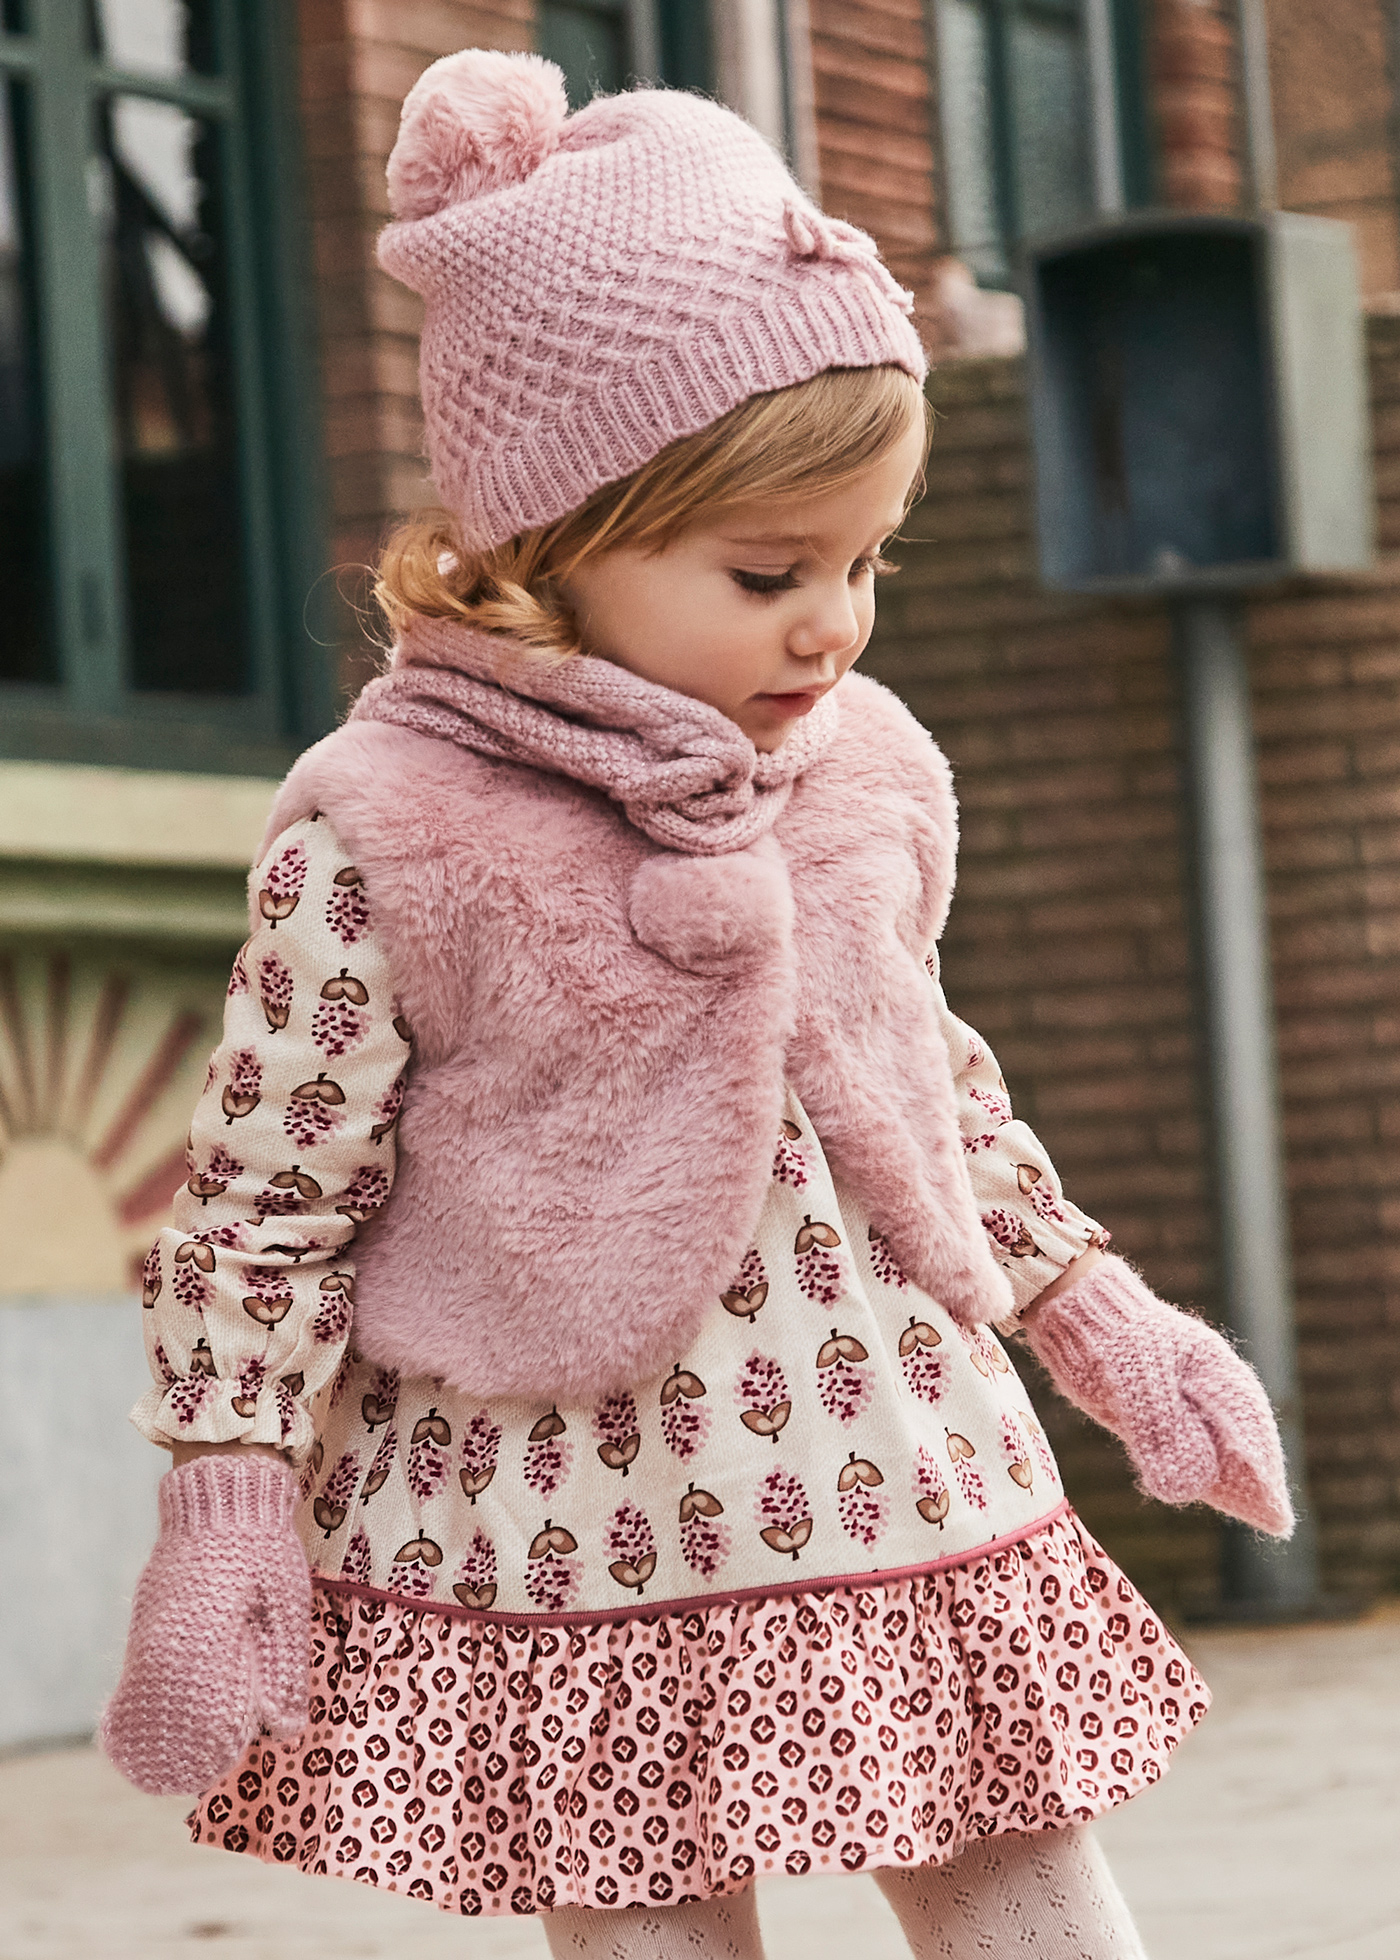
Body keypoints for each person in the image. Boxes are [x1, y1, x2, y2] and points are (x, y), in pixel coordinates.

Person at [101, 49, 1294, 1960]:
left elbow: (928, 1083)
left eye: (867, 560)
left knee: (1014, 1866)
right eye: (767, 571)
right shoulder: (391, 825)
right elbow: (269, 1191)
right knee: (642, 1916)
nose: (835, 621)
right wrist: (230, 1489)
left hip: (879, 1455)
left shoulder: (861, 769)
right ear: (552, 539)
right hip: (568, 1502)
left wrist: (1097, 1308)